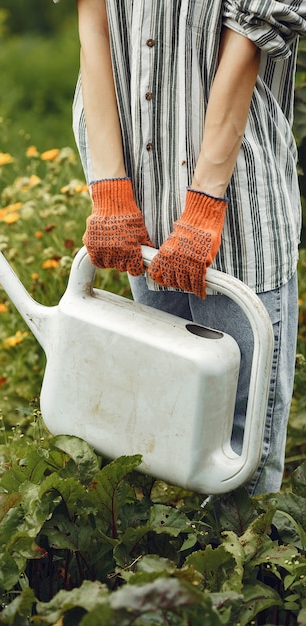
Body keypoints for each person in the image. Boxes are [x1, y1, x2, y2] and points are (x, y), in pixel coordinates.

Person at [61, 0, 306, 495]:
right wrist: (110, 189)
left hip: (234, 212)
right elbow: (94, 25)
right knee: (164, 424)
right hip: (139, 202)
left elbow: (250, 37)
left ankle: (241, 566)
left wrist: (203, 208)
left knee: (239, 451)